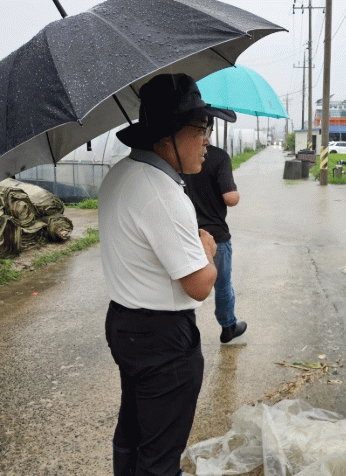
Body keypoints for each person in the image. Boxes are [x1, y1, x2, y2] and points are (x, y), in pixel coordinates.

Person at [98, 73, 236, 476]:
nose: (207, 140)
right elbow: (199, 286)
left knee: (133, 432)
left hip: (124, 324)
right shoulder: (161, 192)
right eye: (200, 128)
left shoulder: (120, 174)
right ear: (166, 136)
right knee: (160, 457)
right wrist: (208, 251)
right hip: (162, 340)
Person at [182, 119, 247, 344]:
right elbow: (230, 198)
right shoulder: (219, 157)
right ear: (211, 128)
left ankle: (186, 332)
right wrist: (236, 191)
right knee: (222, 285)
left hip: (187, 233)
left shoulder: (177, 157)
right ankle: (228, 326)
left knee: (185, 286)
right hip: (215, 236)